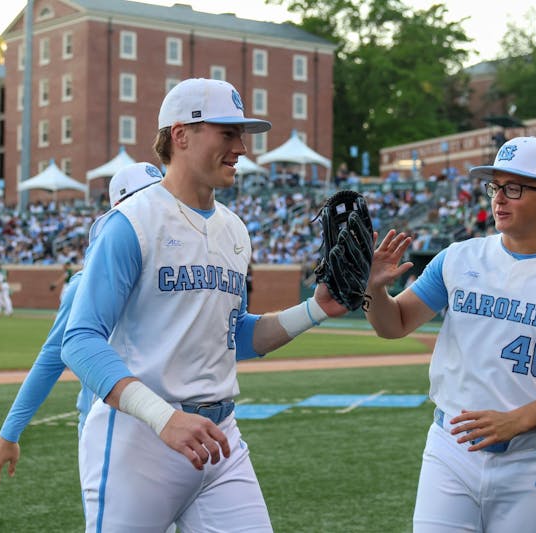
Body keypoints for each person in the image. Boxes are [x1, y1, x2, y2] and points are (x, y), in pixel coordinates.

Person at [61, 77, 348, 532]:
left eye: (242, 135)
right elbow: (79, 341)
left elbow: (232, 337)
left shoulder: (235, 229)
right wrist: (163, 418)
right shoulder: (130, 222)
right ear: (180, 135)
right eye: (228, 133)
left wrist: (313, 310)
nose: (241, 148)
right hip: (140, 439)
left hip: (221, 438)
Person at [363, 136, 536, 533]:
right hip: (451, 449)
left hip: (530, 457)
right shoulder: (458, 257)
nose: (499, 199)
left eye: (514, 188)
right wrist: (375, 290)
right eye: (496, 187)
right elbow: (393, 325)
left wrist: (517, 421)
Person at [0, 162, 165, 485]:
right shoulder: (86, 285)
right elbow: (51, 360)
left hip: (166, 425)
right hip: (107, 429)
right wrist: (9, 432)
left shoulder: (171, 276)